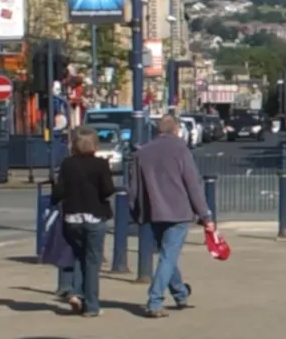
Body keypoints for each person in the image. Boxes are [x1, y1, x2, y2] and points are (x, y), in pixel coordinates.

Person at [127, 114, 212, 317]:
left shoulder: (142, 153)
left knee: (167, 255)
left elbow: (134, 189)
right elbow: (192, 184)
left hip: (154, 211)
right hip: (178, 211)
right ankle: (155, 301)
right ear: (176, 130)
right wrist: (205, 214)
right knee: (168, 256)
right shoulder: (180, 149)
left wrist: (136, 212)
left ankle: (181, 294)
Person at [51, 127, 115, 316]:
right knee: (93, 261)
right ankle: (92, 306)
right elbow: (108, 190)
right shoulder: (100, 165)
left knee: (79, 256)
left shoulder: (67, 164)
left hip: (72, 218)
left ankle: (76, 293)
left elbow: (59, 191)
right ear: (95, 145)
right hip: (94, 216)